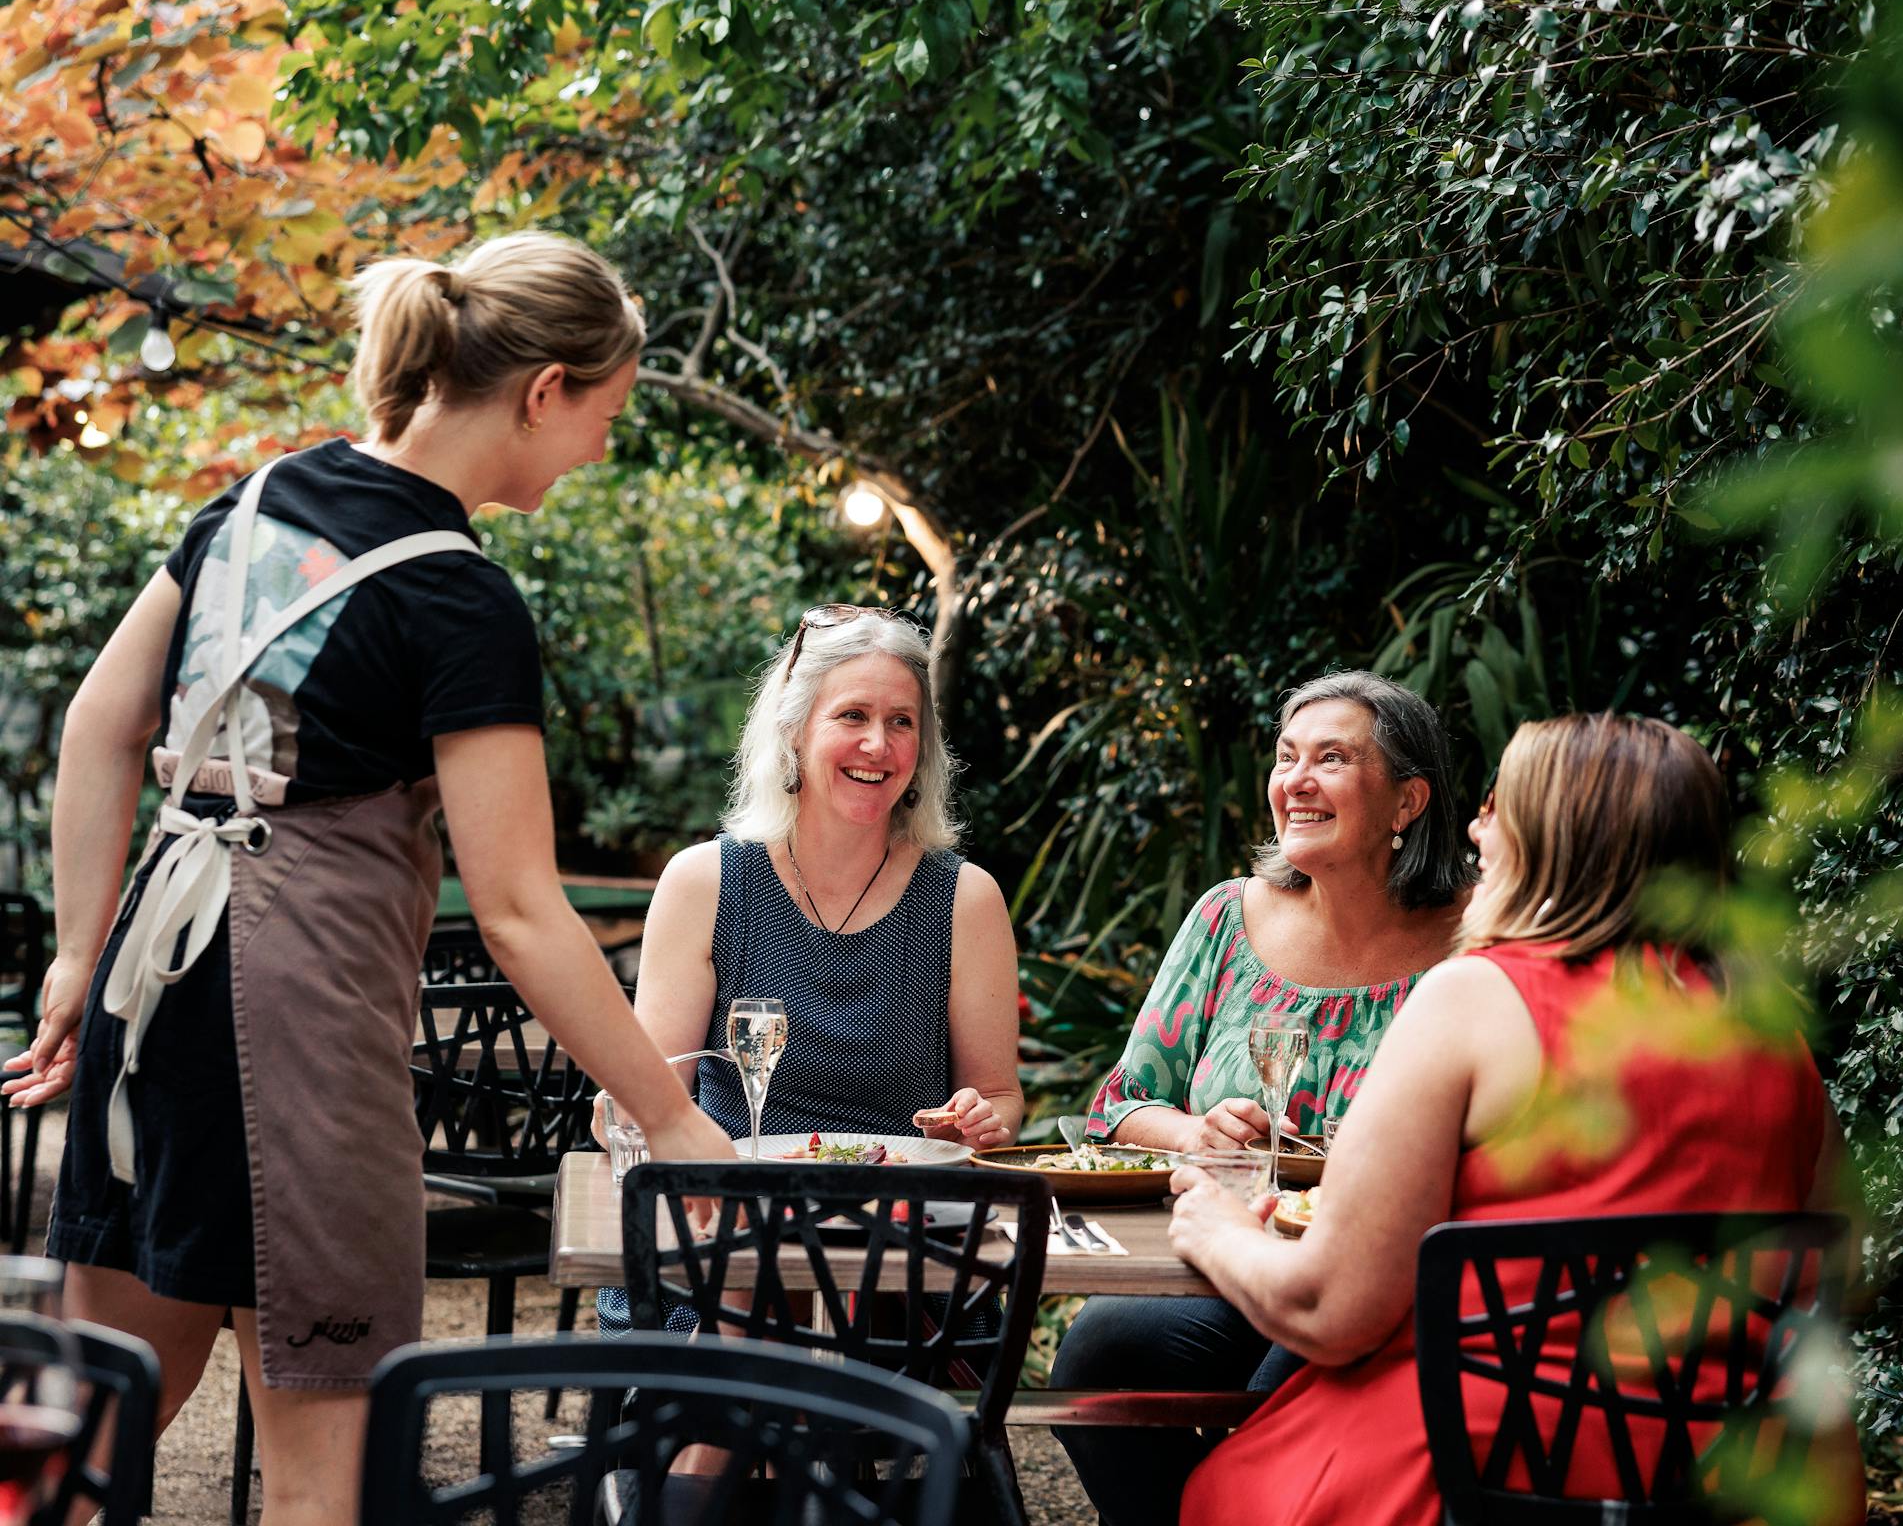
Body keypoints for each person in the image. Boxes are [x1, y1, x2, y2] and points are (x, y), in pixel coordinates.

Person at [3, 232, 732, 1526]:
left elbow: (98, 728)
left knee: (77, 1450)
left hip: (150, 990)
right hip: (298, 1026)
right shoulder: (460, 596)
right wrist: (669, 1122)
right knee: (321, 1489)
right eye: (606, 417)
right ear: (543, 391)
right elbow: (517, 909)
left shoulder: (252, 503)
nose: (601, 449)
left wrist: (75, 954)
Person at [1170, 712, 1865, 1526]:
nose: (1473, 827)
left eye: (1496, 806)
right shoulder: (1772, 1036)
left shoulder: (1476, 997)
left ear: (1555, 838)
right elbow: (1843, 1281)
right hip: (1728, 1478)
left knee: (1219, 1487)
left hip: (1482, 1470)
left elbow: (1333, 1311)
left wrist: (1218, 1229)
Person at [1053, 671, 1472, 1526]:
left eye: (1332, 758)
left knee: (1281, 1398)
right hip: (1230, 1261)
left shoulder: (1474, 940)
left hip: (1380, 1276)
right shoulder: (1225, 919)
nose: (1297, 780)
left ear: (1407, 802)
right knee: (1097, 1357)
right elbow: (1121, 1106)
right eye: (1287, 758)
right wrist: (1198, 1131)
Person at [595, 605, 1023, 1334]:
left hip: (897, 1254)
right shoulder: (707, 884)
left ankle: (735, 1440)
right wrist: (627, 1117)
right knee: (755, 1288)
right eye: (851, 714)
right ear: (793, 730)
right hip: (727, 1237)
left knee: (793, 1333)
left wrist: (980, 1120)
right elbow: (649, 1099)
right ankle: (752, 1434)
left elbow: (1000, 1101)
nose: (877, 744)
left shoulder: (964, 899)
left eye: (902, 722)